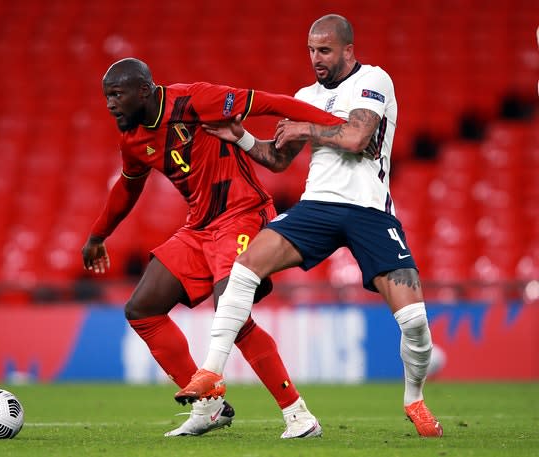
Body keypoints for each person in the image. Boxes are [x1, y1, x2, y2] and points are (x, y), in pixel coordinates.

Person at [175, 14, 444, 438]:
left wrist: (305, 127)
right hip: (316, 206)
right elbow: (280, 159)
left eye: (325, 50)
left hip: (369, 210)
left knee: (413, 322)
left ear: (348, 50)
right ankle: (211, 371)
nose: (316, 59)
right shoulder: (306, 95)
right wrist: (242, 137)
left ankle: (415, 399)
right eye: (311, 51)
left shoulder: (373, 79)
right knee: (245, 266)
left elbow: (359, 139)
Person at [82, 57, 344, 438]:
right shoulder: (134, 139)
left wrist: (339, 125)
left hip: (242, 214)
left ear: (143, 90)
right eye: (106, 96)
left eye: (116, 95)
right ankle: (210, 406)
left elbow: (269, 102)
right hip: (199, 227)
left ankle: (298, 414)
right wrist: (97, 235)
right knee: (142, 310)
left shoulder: (195, 100)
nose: (109, 104)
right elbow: (128, 187)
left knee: (231, 314)